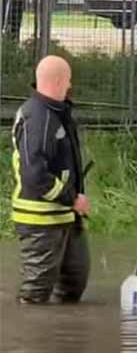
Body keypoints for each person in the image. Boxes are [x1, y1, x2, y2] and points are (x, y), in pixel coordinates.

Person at [10, 56, 91, 304]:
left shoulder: (55, 113)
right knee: (36, 293)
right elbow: (35, 175)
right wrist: (71, 198)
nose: (70, 86)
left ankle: (61, 338)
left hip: (65, 213)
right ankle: (33, 339)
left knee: (74, 283)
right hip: (41, 218)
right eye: (67, 81)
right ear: (57, 81)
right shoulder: (39, 117)